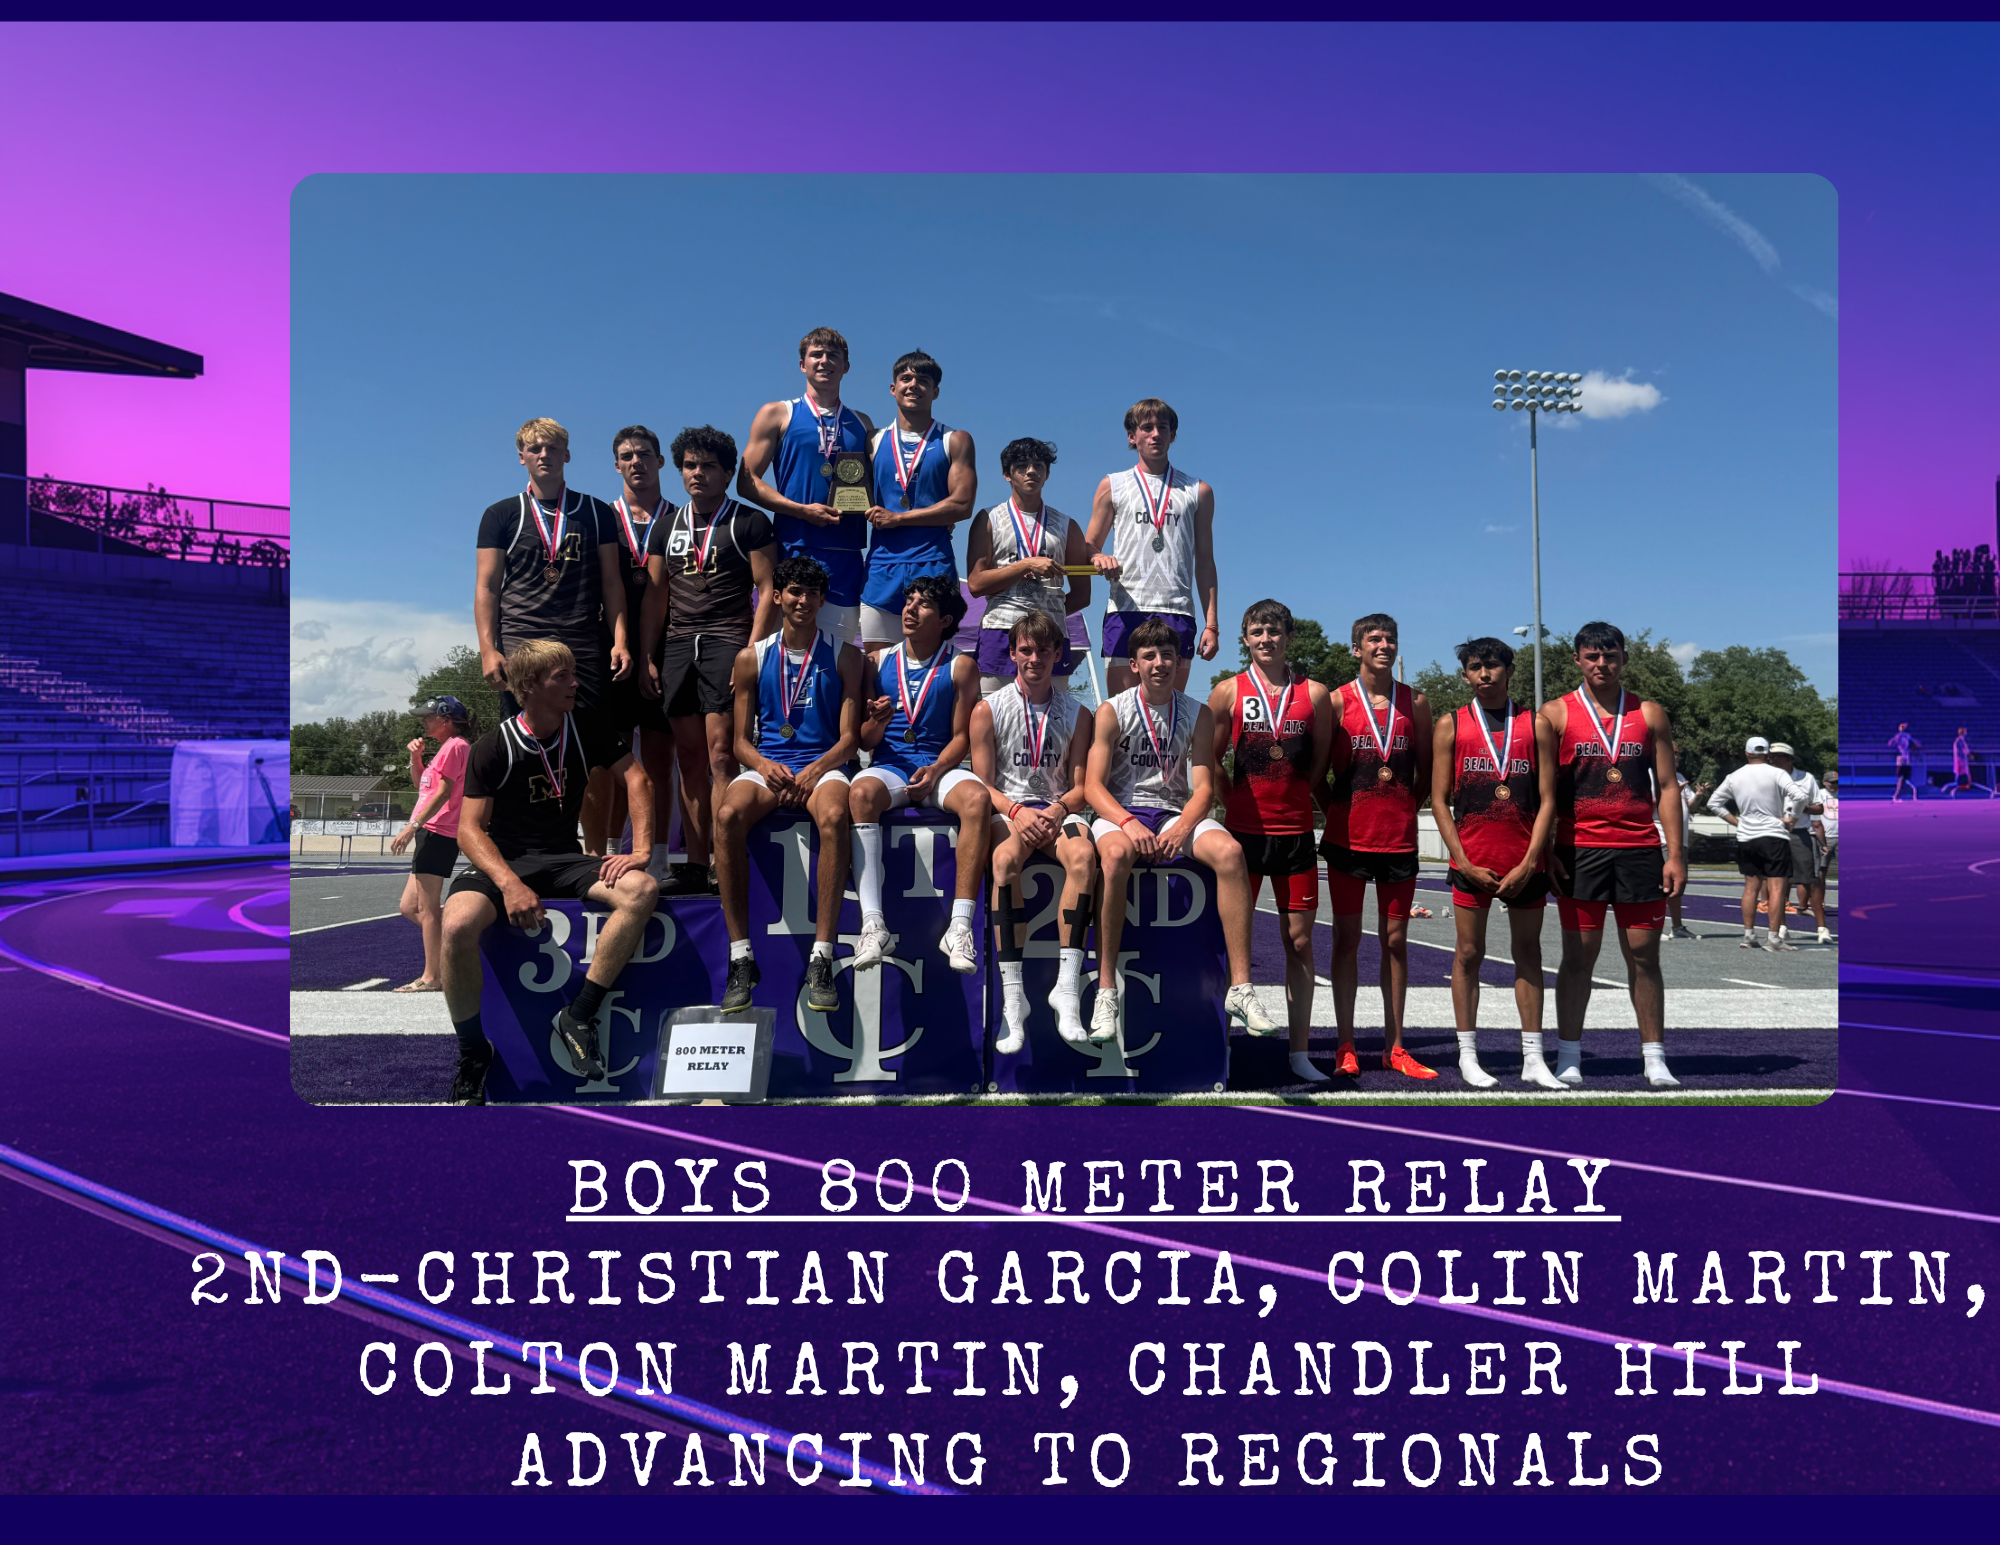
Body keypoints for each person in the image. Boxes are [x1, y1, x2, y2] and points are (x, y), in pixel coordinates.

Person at [439, 641, 659, 1106]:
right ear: (528, 687)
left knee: (641, 890)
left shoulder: (588, 727)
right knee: (457, 923)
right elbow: (469, 831)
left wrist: (640, 851)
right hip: (504, 861)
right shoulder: (492, 746)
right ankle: (473, 1052)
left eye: (573, 673)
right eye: (563, 675)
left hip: (562, 857)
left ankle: (579, 1016)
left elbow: (638, 779)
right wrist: (509, 883)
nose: (575, 682)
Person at [1084, 618, 1279, 1043]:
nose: (1160, 663)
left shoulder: (1198, 712)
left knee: (1230, 853)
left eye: (1168, 655)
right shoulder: (1112, 709)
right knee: (1115, 856)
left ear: (1178, 661)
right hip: (1121, 811)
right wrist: (1128, 822)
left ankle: (1241, 988)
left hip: (1174, 813)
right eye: (1149, 656)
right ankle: (1105, 989)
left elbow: (1205, 784)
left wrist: (1184, 826)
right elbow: (1092, 787)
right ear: (1134, 664)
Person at [713, 557, 866, 1013]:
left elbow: (850, 740)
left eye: (812, 594)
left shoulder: (845, 654)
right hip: (771, 766)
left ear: (822, 600)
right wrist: (763, 764)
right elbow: (739, 743)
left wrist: (816, 770)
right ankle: (741, 957)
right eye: (794, 592)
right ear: (776, 597)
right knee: (726, 815)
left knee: (836, 814)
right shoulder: (751, 657)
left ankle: (822, 956)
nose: (803, 601)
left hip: (823, 765)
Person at [473, 418, 632, 856]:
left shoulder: (597, 512)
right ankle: (519, 853)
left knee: (594, 752)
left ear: (568, 454)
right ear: (522, 456)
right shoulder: (500, 514)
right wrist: (489, 649)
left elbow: (612, 584)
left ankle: (596, 856)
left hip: (582, 642)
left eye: (553, 447)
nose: (544, 455)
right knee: (521, 746)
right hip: (521, 645)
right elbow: (487, 587)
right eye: (535, 448)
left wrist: (620, 640)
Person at [1540, 622, 1685, 1088]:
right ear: (1578, 660)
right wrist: (1547, 850)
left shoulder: (1650, 713)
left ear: (1624, 658)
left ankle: (1654, 1055)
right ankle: (1568, 1054)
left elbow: (1666, 786)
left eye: (1611, 656)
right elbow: (1542, 794)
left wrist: (1675, 852)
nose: (1602, 664)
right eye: (1592, 657)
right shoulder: (1556, 714)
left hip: (1640, 849)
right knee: (1578, 956)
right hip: (1579, 851)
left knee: (1644, 956)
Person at [639, 424, 778, 895]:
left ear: (727, 473)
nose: (697, 474)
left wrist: (750, 652)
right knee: (689, 758)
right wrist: (645, 656)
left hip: (727, 642)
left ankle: (725, 859)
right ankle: (696, 864)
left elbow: (768, 591)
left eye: (708, 466)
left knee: (722, 755)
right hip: (678, 646)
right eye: (690, 466)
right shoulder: (666, 527)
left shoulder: (749, 521)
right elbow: (657, 595)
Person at [1208, 600, 1336, 1082]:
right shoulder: (1227, 691)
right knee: (1227, 944)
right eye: (1257, 631)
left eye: (1275, 631)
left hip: (1298, 835)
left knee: (1300, 942)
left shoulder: (1316, 694)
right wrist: (1232, 802)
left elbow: (1319, 759)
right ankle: (1216, 1044)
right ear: (1245, 638)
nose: (1267, 639)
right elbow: (1212, 759)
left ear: (1289, 637)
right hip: (1243, 836)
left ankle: (1298, 1053)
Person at [1430, 638, 1564, 1091]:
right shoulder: (1451, 725)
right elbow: (1439, 800)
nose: (1484, 674)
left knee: (1529, 955)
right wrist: (1462, 862)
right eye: (1475, 667)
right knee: (1468, 954)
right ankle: (1468, 1054)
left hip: (1523, 863)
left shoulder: (1537, 724)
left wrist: (1531, 862)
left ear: (1509, 670)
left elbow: (1549, 799)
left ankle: (1533, 1057)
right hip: (1474, 862)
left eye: (1492, 666)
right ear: (1465, 675)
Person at [969, 610, 1098, 1049]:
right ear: (1012, 653)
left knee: (1083, 857)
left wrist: (1058, 810)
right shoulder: (988, 708)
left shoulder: (1079, 714)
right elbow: (983, 785)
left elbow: (1082, 787)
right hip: (1010, 809)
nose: (1035, 658)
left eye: (1044, 650)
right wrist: (1019, 811)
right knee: (1004, 860)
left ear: (1058, 654)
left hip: (1059, 808)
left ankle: (1066, 989)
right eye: (1026, 649)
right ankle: (1013, 997)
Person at [850, 575, 989, 978]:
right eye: (909, 600)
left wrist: (937, 770)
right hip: (892, 764)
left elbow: (962, 737)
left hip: (937, 764)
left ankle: (959, 926)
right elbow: (864, 739)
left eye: (923, 604)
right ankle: (873, 925)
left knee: (978, 800)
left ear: (945, 619)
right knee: (860, 793)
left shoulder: (962, 665)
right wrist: (877, 722)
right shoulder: (876, 661)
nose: (910, 608)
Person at [1319, 613, 1436, 1080]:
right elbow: (1317, 775)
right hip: (1348, 841)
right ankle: (1345, 1043)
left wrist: (1406, 809)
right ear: (1356, 649)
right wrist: (1336, 813)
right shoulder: (1335, 702)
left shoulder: (1417, 703)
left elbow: (1426, 773)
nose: (1383, 645)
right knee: (1346, 939)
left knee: (1395, 941)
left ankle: (1397, 1046)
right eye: (1373, 639)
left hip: (1398, 841)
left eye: (1389, 638)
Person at [738, 327, 876, 645]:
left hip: (845, 554)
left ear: (846, 366)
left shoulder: (863, 423)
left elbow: (880, 486)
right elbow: (746, 482)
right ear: (803, 364)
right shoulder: (777, 413)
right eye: (816, 354)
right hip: (793, 548)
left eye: (833, 355)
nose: (824, 361)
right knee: (783, 655)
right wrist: (801, 510)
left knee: (835, 655)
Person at [1084, 398, 1219, 695]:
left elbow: (1205, 561)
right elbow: (1089, 545)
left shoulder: (1198, 491)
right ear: (1133, 437)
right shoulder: (1113, 484)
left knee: (1169, 713)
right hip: (1126, 608)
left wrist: (1212, 624)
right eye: (1147, 428)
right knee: (1122, 716)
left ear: (1173, 435)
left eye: (1163, 427)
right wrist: (1098, 556)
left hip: (1176, 610)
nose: (1156, 434)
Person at [859, 350, 976, 647]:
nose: (913, 385)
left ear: (935, 391)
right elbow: (859, 500)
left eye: (923, 380)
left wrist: (899, 518)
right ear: (893, 388)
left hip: (932, 562)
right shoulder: (872, 440)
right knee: (876, 664)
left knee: (933, 665)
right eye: (906, 378)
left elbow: (962, 504)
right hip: (882, 564)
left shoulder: (955, 439)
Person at [965, 437, 1092, 694]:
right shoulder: (989, 519)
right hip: (1000, 630)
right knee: (996, 719)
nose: (1031, 471)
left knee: (1051, 724)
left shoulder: (1067, 525)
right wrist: (1025, 565)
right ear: (1006, 474)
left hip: (1050, 635)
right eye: (1022, 466)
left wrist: (1043, 617)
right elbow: (976, 584)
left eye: (1038, 466)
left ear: (1047, 474)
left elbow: (1083, 594)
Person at [599, 425, 672, 862]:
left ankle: (660, 857)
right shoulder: (603, 519)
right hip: (613, 652)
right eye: (627, 456)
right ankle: (607, 853)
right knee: (612, 764)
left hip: (667, 650)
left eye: (644, 454)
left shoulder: (681, 519)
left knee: (662, 762)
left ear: (660, 461)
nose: (636, 462)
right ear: (616, 465)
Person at [387, 696, 476, 993]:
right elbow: (421, 786)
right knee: (409, 907)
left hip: (437, 832)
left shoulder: (456, 747)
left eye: (428, 716)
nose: (423, 720)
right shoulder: (445, 749)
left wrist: (413, 827)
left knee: (426, 909)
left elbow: (443, 793)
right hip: (431, 831)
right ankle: (447, 954)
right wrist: (416, 759)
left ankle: (432, 976)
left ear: (446, 719)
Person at [1706, 735, 1799, 952]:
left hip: (1747, 836)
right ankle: (1773, 937)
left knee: (1751, 888)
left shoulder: (1734, 776)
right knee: (1777, 888)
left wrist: (1737, 822)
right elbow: (1799, 794)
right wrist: (1791, 819)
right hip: (1774, 835)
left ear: (1747, 753)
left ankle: (1749, 935)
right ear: (1767, 753)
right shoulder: (1777, 773)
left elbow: (1714, 803)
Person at [1768, 742, 1830, 943]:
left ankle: (1822, 928)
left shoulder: (1806, 778)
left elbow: (1819, 809)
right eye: (1771, 756)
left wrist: (1801, 808)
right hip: (1775, 832)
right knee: (1780, 882)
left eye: (1777, 756)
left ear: (1789, 758)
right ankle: (1782, 926)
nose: (1773, 759)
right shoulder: (1767, 778)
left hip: (1800, 833)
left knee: (1811, 882)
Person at [1662, 757, 1707, 941]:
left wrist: (1698, 796)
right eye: (1673, 753)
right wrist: (1671, 793)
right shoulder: (1652, 775)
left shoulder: (1679, 776)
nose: (1677, 758)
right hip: (1662, 836)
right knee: (1664, 885)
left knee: (1679, 884)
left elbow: (1690, 807)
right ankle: (1653, 926)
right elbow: (1647, 802)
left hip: (1681, 838)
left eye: (1679, 754)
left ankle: (1677, 927)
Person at [1888, 722, 1921, 801]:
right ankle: (1897, 795)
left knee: (1905, 777)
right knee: (1902, 777)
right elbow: (1891, 743)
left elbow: (1891, 743)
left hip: (1905, 758)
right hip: (1902, 759)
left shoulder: (1905, 736)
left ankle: (1900, 794)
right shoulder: (1900, 736)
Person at [1950, 725, 1975, 796]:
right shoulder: (1959, 741)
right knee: (1960, 773)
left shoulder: (1961, 741)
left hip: (1962, 760)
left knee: (1963, 772)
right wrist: (1969, 755)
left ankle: (1964, 784)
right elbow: (1964, 751)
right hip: (1960, 760)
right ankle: (1959, 785)